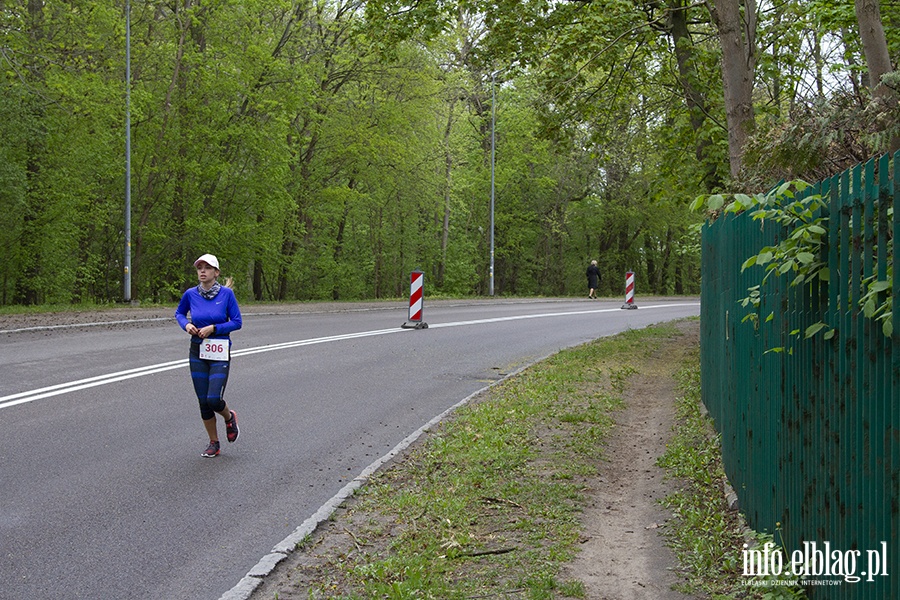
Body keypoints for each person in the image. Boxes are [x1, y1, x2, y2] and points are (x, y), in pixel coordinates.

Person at [175, 253, 243, 457]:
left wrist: (213, 328)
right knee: (203, 401)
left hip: (219, 351)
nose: (202, 271)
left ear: (216, 272)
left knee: (214, 399)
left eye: (207, 267)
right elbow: (179, 313)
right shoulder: (190, 294)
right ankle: (214, 442)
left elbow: (237, 322)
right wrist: (186, 324)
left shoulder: (226, 295)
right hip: (197, 350)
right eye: (199, 268)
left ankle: (229, 416)